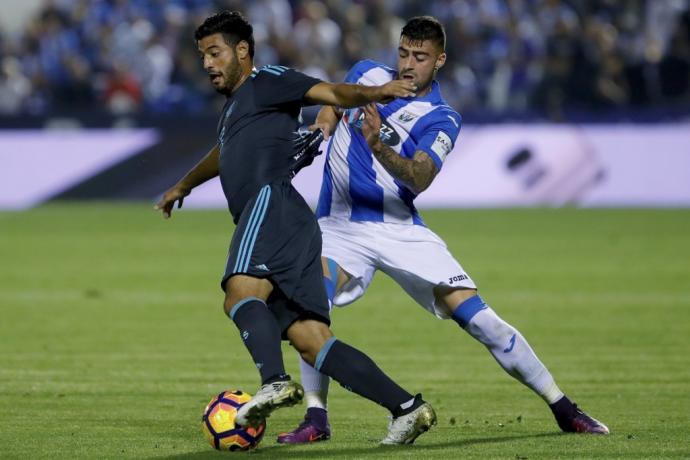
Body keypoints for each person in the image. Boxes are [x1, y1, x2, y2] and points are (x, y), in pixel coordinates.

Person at [277, 15, 610, 444]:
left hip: (400, 230)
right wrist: (324, 122)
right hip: (338, 227)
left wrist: (378, 145)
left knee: (480, 321)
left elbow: (419, 177)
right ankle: (316, 419)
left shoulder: (441, 117)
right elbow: (336, 99)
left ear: (440, 61)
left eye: (420, 57)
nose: (408, 64)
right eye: (403, 53)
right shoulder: (366, 73)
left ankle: (563, 407)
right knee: (309, 307)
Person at [155, 10, 437, 446]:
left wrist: (376, 91)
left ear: (242, 51)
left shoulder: (268, 80)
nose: (208, 63)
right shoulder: (237, 109)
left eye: (215, 53)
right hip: (293, 224)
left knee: (239, 293)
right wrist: (183, 184)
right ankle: (406, 408)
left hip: (270, 205)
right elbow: (224, 152)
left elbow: (331, 91)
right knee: (312, 340)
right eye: (203, 56)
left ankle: (273, 381)